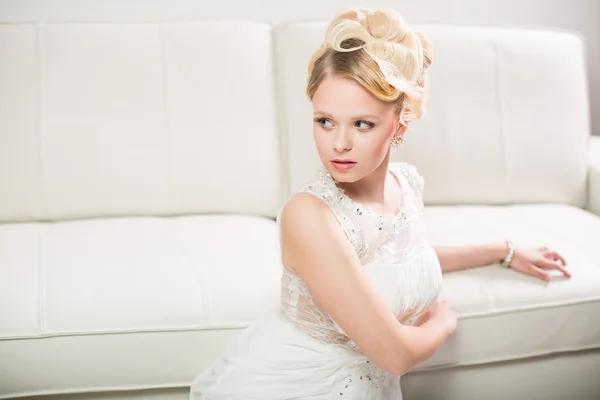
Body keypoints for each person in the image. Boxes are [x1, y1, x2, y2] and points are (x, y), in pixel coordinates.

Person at [189, 7, 570, 399]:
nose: (338, 143)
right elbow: (395, 354)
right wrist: (441, 322)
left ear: (399, 124)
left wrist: (502, 250)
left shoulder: (405, 183)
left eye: (362, 124)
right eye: (324, 121)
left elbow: (401, 260)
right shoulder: (308, 216)